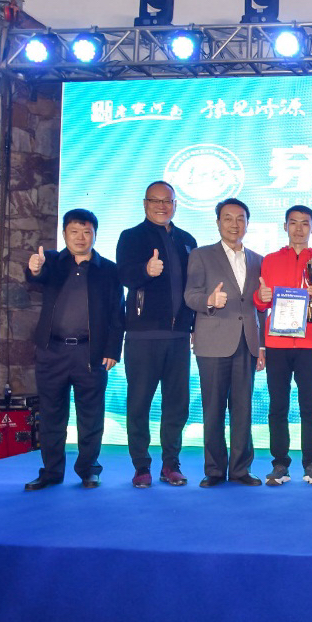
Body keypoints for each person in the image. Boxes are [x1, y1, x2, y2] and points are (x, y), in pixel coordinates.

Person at [23, 209, 124, 490]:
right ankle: (51, 472)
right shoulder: (52, 261)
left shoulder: (109, 270)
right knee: (51, 415)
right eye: (74, 231)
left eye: (87, 232)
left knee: (91, 415)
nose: (80, 237)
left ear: (95, 235)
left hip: (90, 353)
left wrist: (113, 350)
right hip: (52, 351)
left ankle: (88, 469)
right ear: (64, 233)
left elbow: (118, 314)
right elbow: (36, 275)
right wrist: (35, 268)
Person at [115, 180, 197, 489]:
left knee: (177, 405)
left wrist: (194, 326)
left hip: (179, 337)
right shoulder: (131, 236)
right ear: (145, 203)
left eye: (167, 201)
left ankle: (170, 464)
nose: (162, 206)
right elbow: (123, 276)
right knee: (139, 404)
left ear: (175, 205)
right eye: (155, 200)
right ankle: (141, 466)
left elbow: (195, 288)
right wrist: (145, 271)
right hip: (143, 335)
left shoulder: (187, 240)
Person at [184, 199, 264, 487]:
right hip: (212, 343)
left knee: (243, 410)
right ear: (218, 223)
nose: (234, 224)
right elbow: (190, 295)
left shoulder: (258, 260)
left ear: (247, 223)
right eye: (228, 218)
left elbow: (260, 306)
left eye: (240, 218)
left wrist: (262, 346)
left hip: (247, 344)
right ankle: (215, 470)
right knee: (213, 409)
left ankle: (241, 469)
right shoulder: (201, 255)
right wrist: (209, 300)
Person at [254, 205, 312, 486]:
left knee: (310, 406)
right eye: (293, 223)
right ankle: (279, 464)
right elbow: (260, 303)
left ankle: (311, 463)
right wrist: (261, 296)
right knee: (278, 405)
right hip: (277, 342)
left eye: (305, 223)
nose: (299, 229)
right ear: (285, 226)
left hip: (309, 343)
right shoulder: (270, 260)